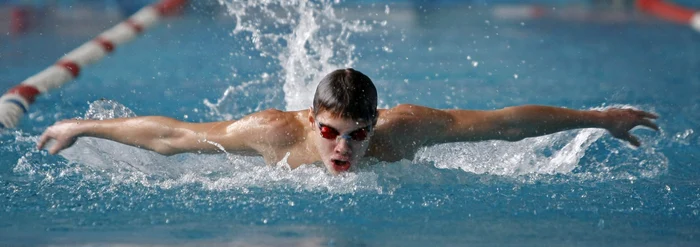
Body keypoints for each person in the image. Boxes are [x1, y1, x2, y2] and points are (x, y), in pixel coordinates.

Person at [38, 68, 659, 175]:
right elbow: (173, 136)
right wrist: (80, 129)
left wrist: (595, 118)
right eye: (330, 132)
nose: (344, 150)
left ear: (376, 123)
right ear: (312, 121)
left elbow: (501, 123)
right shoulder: (273, 133)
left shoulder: (405, 128)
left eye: (358, 136)